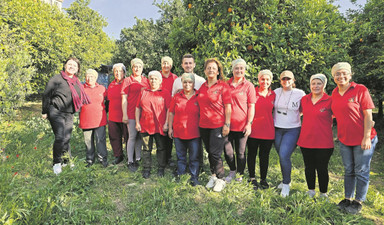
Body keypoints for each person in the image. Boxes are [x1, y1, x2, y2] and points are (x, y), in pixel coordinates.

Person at [331, 62, 378, 214]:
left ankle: (358, 201)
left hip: (363, 138)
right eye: (337, 74)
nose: (341, 76)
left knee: (361, 170)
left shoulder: (360, 89)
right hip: (345, 139)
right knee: (348, 170)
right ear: (333, 77)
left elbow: (368, 115)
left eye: (344, 73)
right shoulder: (334, 93)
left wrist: (366, 137)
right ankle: (347, 199)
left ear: (350, 75)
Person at [42, 57, 90, 174]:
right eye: (70, 64)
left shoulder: (76, 82)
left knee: (67, 138)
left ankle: (66, 161)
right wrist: (44, 111)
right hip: (56, 111)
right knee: (60, 137)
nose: (72, 67)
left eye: (74, 65)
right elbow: (46, 95)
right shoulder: (56, 79)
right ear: (65, 65)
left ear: (77, 68)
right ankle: (56, 163)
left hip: (69, 113)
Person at [197, 58, 231, 192]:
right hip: (204, 125)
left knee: (215, 153)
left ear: (218, 71)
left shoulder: (223, 86)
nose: (211, 70)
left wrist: (227, 124)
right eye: (208, 68)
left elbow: (228, 107)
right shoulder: (202, 87)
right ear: (205, 71)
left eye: (213, 68)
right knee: (209, 152)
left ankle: (221, 179)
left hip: (218, 124)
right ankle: (213, 176)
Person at [297, 74, 333, 198]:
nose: (316, 86)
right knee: (309, 167)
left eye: (319, 83)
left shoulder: (330, 100)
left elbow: (341, 114)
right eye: (313, 83)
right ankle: (311, 190)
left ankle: (323, 193)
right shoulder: (304, 99)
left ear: (324, 85)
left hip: (324, 141)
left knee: (322, 168)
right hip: (306, 140)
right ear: (310, 85)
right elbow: (298, 113)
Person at [273, 70, 305, 197]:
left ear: (293, 80)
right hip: (277, 128)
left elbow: (304, 109)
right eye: (283, 79)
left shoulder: (300, 93)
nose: (286, 81)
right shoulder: (276, 92)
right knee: (282, 156)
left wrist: (293, 116)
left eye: (288, 79)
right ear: (280, 80)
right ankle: (285, 179)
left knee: (284, 155)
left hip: (292, 128)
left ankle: (286, 184)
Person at [224, 59, 255, 183]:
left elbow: (251, 106)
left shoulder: (249, 86)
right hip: (227, 125)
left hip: (242, 125)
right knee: (228, 151)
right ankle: (232, 170)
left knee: (241, 153)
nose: (239, 71)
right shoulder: (226, 84)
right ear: (232, 70)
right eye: (236, 68)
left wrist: (249, 123)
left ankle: (239, 175)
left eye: (241, 68)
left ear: (245, 70)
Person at [136, 71, 172, 179]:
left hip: (160, 125)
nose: (153, 81)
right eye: (151, 78)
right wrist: (137, 122)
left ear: (160, 81)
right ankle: (147, 168)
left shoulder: (165, 93)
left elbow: (169, 109)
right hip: (145, 124)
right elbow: (138, 108)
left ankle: (161, 167)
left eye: (156, 79)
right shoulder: (143, 92)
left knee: (161, 148)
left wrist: (166, 123)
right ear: (148, 80)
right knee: (146, 148)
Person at [168, 73, 201, 186]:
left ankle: (194, 177)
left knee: (194, 157)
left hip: (194, 133)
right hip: (178, 132)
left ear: (193, 83)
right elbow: (171, 112)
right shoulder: (177, 97)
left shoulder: (199, 96)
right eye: (185, 82)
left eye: (190, 82)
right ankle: (181, 175)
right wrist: (170, 128)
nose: (187, 84)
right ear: (182, 83)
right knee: (180, 157)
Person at [247, 69, 276, 190]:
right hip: (253, 129)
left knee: (264, 156)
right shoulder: (252, 92)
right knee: (252, 154)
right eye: (262, 79)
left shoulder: (274, 94)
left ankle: (263, 179)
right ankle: (252, 178)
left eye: (267, 79)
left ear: (271, 81)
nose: (265, 81)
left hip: (268, 130)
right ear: (258, 80)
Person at [121, 58, 149, 172]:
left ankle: (138, 158)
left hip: (143, 114)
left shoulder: (146, 80)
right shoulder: (127, 80)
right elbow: (124, 98)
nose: (137, 69)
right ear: (132, 68)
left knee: (139, 137)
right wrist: (125, 114)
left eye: (139, 67)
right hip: (132, 112)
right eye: (135, 67)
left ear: (142, 68)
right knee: (132, 136)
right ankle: (130, 161)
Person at [79, 69, 108, 167]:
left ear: (96, 78)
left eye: (92, 76)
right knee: (88, 141)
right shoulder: (81, 88)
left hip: (99, 119)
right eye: (87, 76)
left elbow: (107, 102)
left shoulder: (102, 88)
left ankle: (102, 159)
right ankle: (90, 160)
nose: (89, 78)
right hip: (86, 119)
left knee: (100, 140)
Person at [107, 63, 128, 165]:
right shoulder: (111, 85)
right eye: (116, 71)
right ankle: (118, 155)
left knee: (128, 136)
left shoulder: (128, 83)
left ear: (124, 72)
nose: (118, 73)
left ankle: (130, 155)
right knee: (114, 137)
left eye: (120, 71)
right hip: (113, 116)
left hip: (125, 116)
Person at [160, 56, 178, 167]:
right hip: (160, 109)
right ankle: (162, 157)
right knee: (162, 133)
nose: (166, 65)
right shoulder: (157, 76)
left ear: (171, 65)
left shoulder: (175, 78)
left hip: (171, 109)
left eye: (168, 63)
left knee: (170, 134)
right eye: (164, 63)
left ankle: (169, 157)